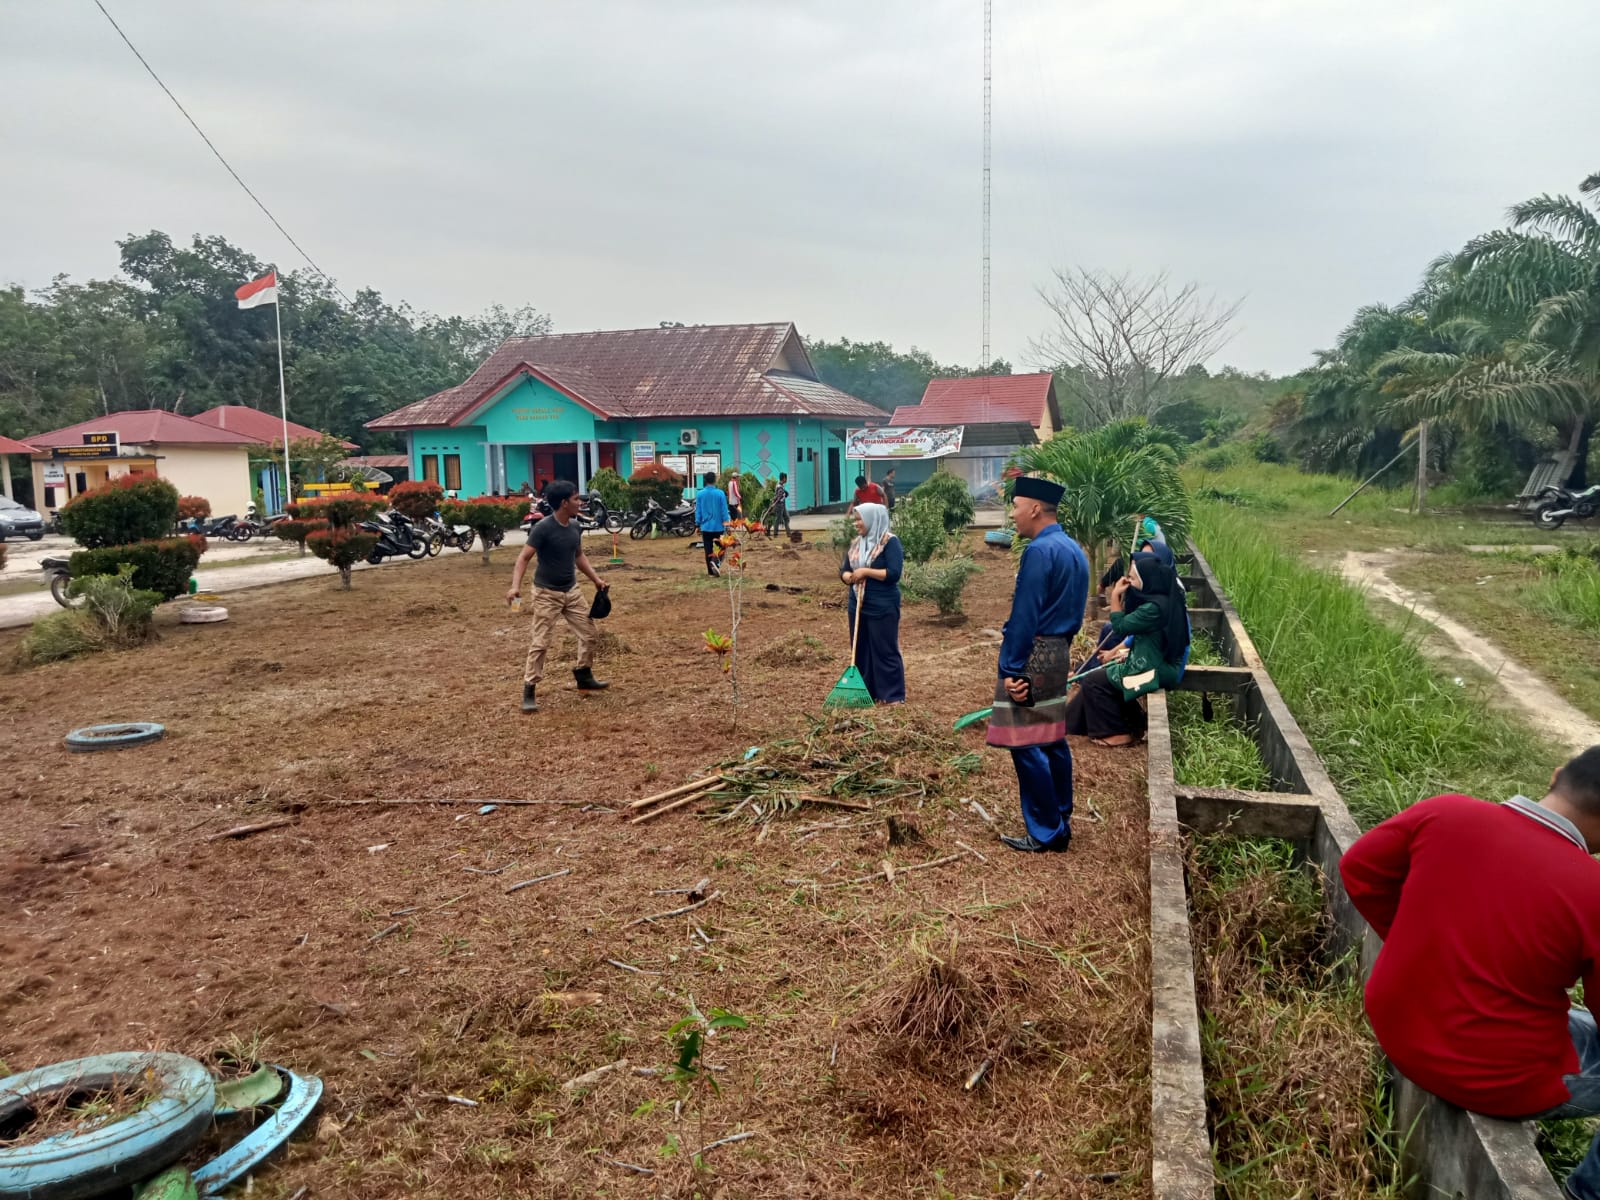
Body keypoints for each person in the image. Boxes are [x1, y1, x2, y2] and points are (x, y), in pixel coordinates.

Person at [1339, 747, 1600, 1200]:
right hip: (1491, 1076)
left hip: (1401, 1028)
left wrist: (1412, 940)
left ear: (1557, 774)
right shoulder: (1591, 891)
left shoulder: (1446, 812)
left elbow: (1359, 869)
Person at [984, 476, 1088, 854]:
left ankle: (1047, 831)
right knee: (1052, 737)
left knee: (1026, 743)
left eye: (1014, 506)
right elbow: (1075, 614)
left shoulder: (1040, 552)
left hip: (1033, 654)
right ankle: (1061, 815)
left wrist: (1010, 669)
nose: (1012, 515)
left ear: (1034, 508)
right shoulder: (1073, 549)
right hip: (1058, 650)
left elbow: (1025, 614)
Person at [506, 480, 611, 713]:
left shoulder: (575, 526)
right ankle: (529, 689)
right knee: (541, 642)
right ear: (564, 503)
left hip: (571, 591)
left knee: (589, 633)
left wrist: (596, 580)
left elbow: (579, 556)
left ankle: (584, 677)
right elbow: (523, 558)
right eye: (576, 499)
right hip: (546, 594)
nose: (580, 502)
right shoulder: (543, 528)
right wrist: (515, 587)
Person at [1066, 551, 1189, 747]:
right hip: (1157, 663)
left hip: (1154, 670)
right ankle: (1069, 724)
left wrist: (1115, 594)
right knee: (1099, 678)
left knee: (1093, 680)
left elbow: (1120, 626)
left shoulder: (1154, 608)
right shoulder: (1164, 600)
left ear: (1145, 580)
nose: (1128, 581)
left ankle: (1117, 733)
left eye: (1132, 578)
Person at [838, 502, 905, 703]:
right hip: (857, 603)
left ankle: (892, 695)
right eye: (855, 519)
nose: (856, 523)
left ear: (872, 520)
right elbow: (843, 570)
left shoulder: (889, 542)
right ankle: (867, 692)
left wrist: (866, 572)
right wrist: (848, 576)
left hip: (882, 605)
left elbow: (894, 573)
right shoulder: (857, 543)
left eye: (860, 519)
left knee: (884, 649)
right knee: (860, 649)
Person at [694, 471, 729, 577]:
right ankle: (715, 563)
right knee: (722, 547)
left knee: (708, 549)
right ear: (715, 480)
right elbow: (724, 510)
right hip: (718, 527)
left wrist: (697, 524)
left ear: (705, 480)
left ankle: (710, 572)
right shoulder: (720, 493)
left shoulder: (700, 494)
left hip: (706, 527)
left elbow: (698, 510)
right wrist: (727, 525)